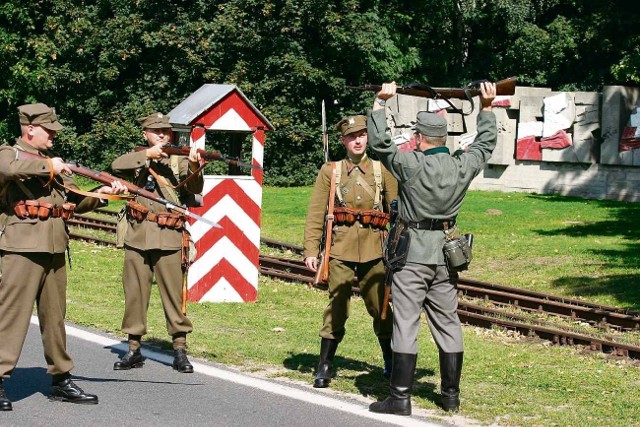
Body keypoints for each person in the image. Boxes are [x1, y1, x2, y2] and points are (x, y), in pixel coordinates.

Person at [366, 81, 497, 415]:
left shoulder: (411, 164)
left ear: (420, 137)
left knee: (406, 323)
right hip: (447, 254)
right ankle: (450, 396)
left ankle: (400, 398)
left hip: (412, 254)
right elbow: (485, 145)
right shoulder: (461, 165)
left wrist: (381, 103)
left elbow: (380, 145)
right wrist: (487, 106)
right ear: (444, 138)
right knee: (448, 322)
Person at [0, 103, 127, 410]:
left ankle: (60, 379)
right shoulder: (10, 153)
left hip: (55, 248)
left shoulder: (52, 162)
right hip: (21, 248)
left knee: (55, 319)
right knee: (11, 316)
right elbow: (7, 169)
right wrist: (50, 166)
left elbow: (74, 201)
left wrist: (108, 193)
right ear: (30, 128)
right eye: (49, 130)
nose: (54, 136)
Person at [303, 114, 398, 388]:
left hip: (375, 250)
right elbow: (315, 213)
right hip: (340, 249)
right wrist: (312, 249)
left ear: (367, 137)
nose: (357, 141)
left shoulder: (383, 170)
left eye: (362, 135)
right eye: (351, 136)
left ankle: (390, 359)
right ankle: (325, 364)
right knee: (337, 304)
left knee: (380, 305)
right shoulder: (330, 171)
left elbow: (397, 213)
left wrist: (400, 251)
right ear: (343, 140)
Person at [111, 112, 204, 374]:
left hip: (169, 235)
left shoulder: (180, 160)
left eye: (166, 131)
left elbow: (195, 187)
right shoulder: (138, 156)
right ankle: (133, 348)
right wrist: (147, 155)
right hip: (138, 234)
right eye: (156, 131)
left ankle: (179, 349)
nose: (162, 135)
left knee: (174, 297)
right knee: (135, 294)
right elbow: (116, 165)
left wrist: (196, 165)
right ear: (146, 134)